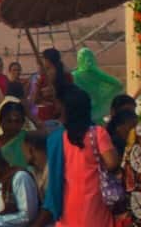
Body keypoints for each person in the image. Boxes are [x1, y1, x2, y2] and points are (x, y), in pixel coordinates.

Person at [48, 88, 118, 227]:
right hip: (95, 204)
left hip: (69, 204)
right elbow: (112, 163)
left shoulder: (60, 137)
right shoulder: (98, 133)